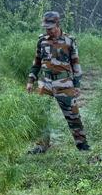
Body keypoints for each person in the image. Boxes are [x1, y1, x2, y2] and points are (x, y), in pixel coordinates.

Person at [27, 10, 90, 152]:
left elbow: (75, 64)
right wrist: (31, 80)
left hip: (64, 83)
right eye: (46, 27)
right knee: (41, 115)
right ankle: (41, 146)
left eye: (50, 27)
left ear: (58, 24)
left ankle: (82, 145)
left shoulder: (69, 41)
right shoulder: (41, 41)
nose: (48, 30)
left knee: (73, 115)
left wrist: (77, 85)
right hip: (45, 83)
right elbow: (36, 62)